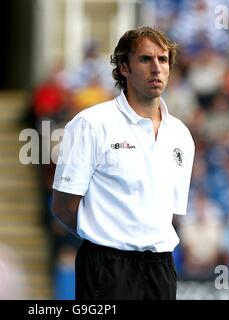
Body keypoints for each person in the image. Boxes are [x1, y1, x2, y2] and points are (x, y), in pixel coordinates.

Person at [52, 26, 195, 300]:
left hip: (161, 269)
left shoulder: (181, 135)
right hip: (105, 268)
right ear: (124, 69)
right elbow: (63, 206)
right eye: (145, 59)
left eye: (163, 60)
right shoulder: (91, 124)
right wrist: (105, 238)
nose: (156, 68)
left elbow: (170, 215)